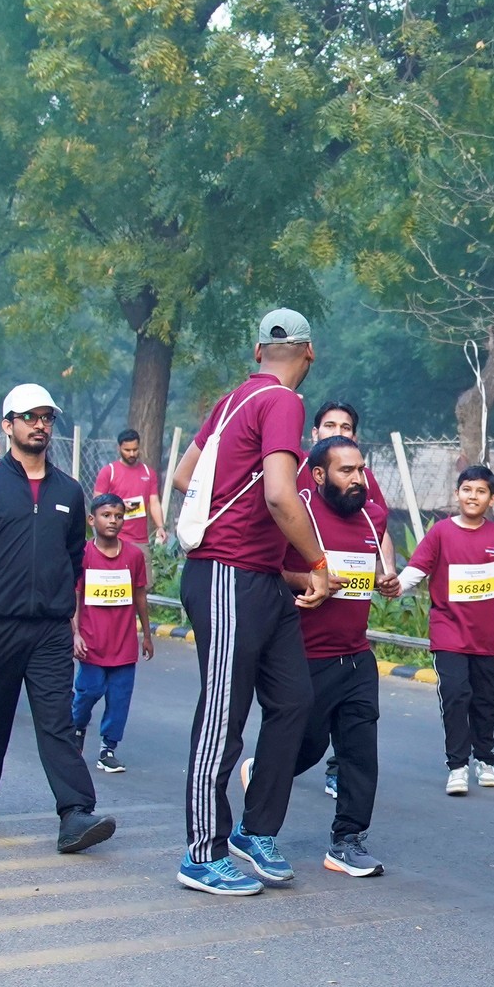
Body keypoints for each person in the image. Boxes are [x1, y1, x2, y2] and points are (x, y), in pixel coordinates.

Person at [170, 307, 334, 896]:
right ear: (309, 353)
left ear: (258, 350)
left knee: (294, 701)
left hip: (260, 577)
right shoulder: (283, 402)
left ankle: (256, 830)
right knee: (224, 715)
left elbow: (184, 476)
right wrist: (318, 563)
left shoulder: (233, 400)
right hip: (228, 574)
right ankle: (202, 853)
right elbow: (280, 496)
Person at [0, 383, 116, 854]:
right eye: (30, 417)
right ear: (8, 425)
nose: (40, 425)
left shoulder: (68, 491)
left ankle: (75, 813)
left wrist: (71, 617)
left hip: (50, 630)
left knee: (58, 721)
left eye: (47, 417)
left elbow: (72, 558)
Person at [241, 436, 399, 877]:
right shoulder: (299, 512)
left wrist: (384, 580)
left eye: (360, 469)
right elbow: (268, 570)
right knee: (304, 748)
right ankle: (261, 787)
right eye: (346, 471)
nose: (358, 478)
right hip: (304, 655)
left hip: (356, 654)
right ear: (317, 475)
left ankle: (347, 841)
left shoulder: (373, 516)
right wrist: (307, 580)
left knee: (359, 752)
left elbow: (366, 568)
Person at [400, 465, 494, 796]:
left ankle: (485, 759)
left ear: (492, 499)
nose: (473, 496)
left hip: (486, 638)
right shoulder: (440, 533)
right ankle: (457, 766)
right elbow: (417, 569)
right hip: (448, 632)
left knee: (485, 699)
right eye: (467, 490)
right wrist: (396, 586)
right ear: (457, 494)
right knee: (454, 694)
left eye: (481, 491)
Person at [309, 399, 393, 798]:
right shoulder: (292, 482)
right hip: (303, 641)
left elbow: (377, 533)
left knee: (357, 731)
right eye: (330, 426)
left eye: (346, 427)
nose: (338, 432)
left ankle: (341, 786)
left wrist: (385, 572)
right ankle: (269, 767)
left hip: (353, 643)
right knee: (301, 737)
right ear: (315, 433)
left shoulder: (362, 486)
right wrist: (310, 576)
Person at [71, 493, 153, 774]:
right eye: (106, 515)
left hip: (124, 645)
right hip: (91, 643)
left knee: (119, 699)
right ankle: (77, 728)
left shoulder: (133, 556)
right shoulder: (82, 554)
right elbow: (75, 596)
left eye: (118, 516)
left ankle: (108, 749)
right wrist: (75, 634)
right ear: (91, 520)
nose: (113, 521)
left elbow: (139, 595)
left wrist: (146, 634)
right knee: (89, 691)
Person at [93, 429, 165, 545]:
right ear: (118, 448)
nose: (132, 454)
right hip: (115, 538)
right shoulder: (109, 472)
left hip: (141, 540)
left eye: (135, 450)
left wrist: (160, 526)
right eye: (127, 450)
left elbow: (154, 503)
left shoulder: (149, 473)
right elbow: (97, 502)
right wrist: (119, 505)